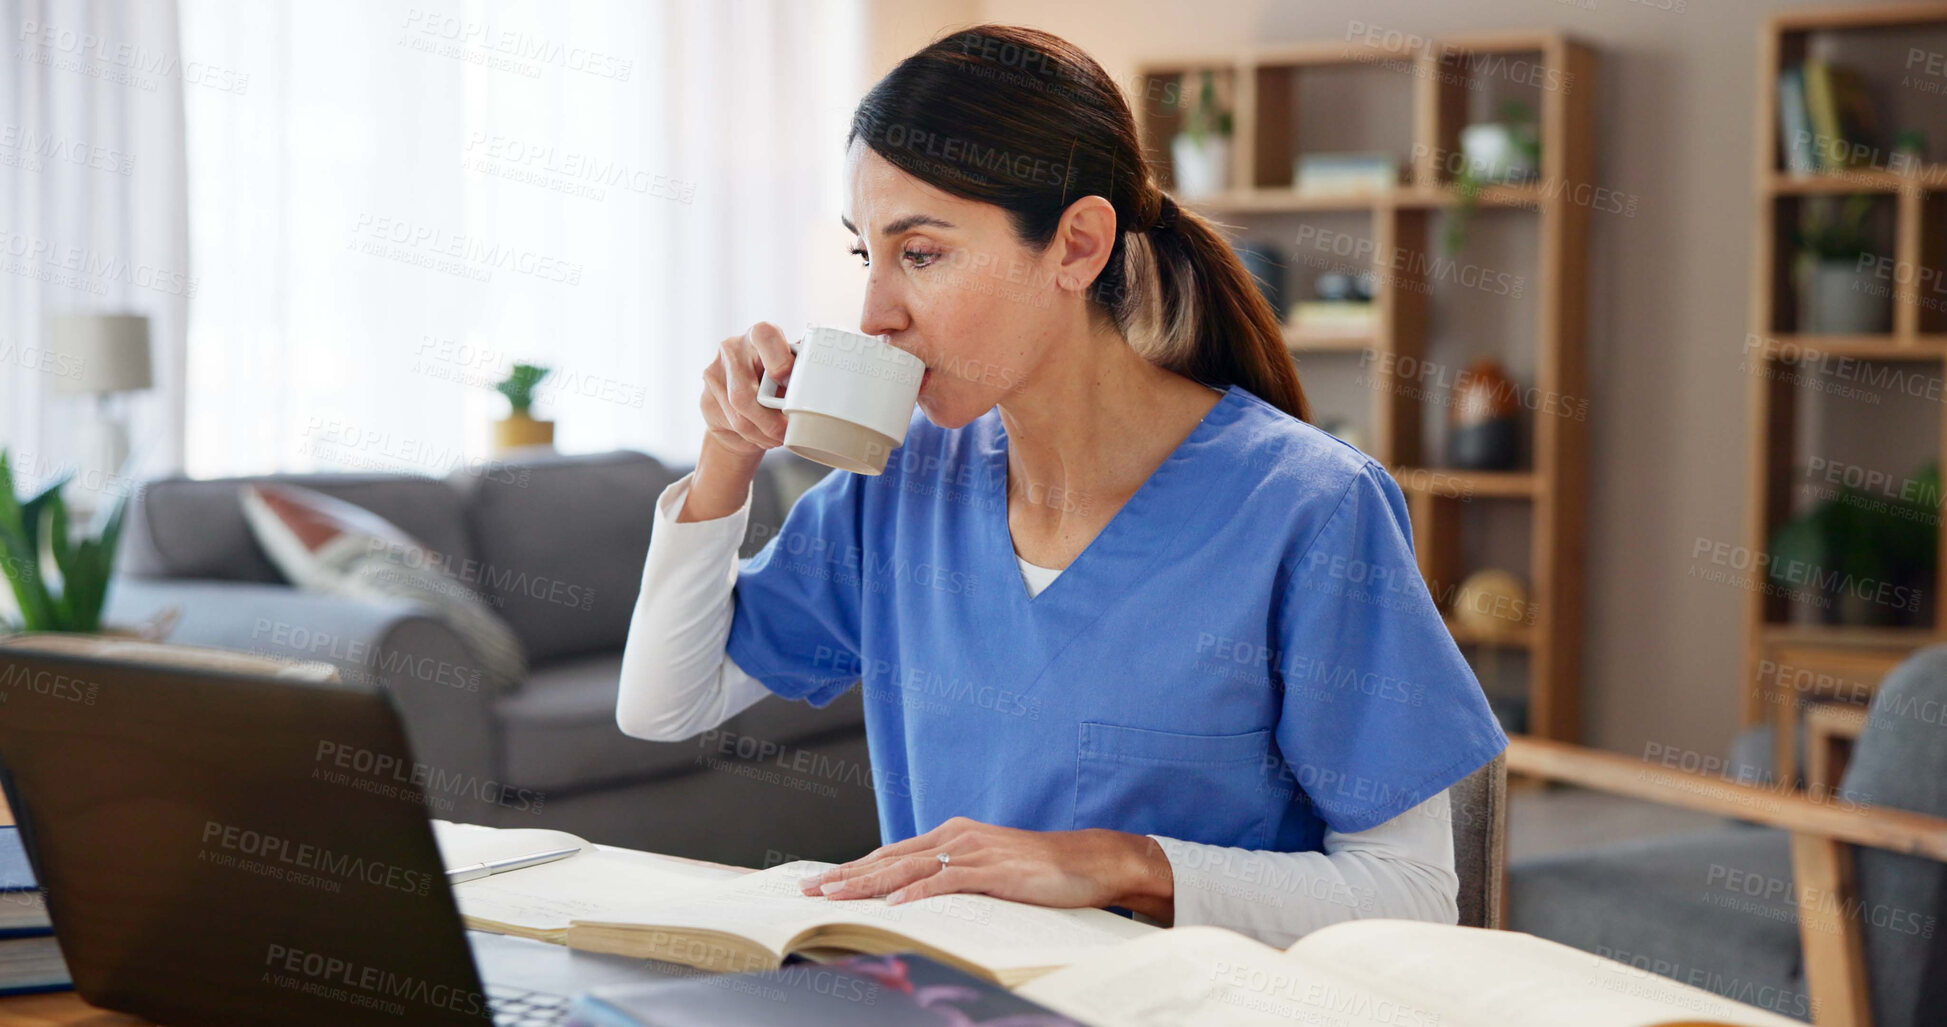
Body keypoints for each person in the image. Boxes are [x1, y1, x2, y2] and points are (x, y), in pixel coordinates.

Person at [617, 23, 1506, 948]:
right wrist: (727, 454)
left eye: (920, 253)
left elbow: (1409, 894)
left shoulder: (1308, 507)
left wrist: (1118, 862)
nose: (874, 313)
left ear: (1077, 246)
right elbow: (661, 704)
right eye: (864, 255)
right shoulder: (899, 490)